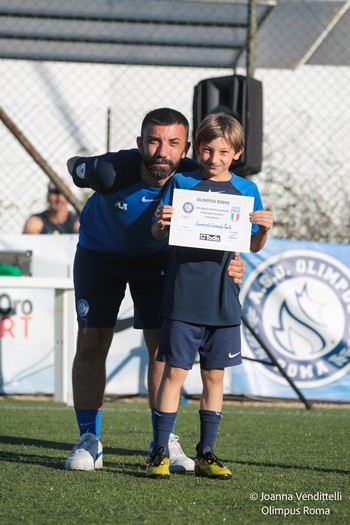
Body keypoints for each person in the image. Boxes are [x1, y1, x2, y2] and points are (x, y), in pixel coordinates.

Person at [64, 108, 246, 473]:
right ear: (140, 143)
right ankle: (89, 440)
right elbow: (74, 165)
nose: (163, 150)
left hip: (160, 261)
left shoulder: (199, 176)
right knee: (92, 341)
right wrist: (88, 167)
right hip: (100, 255)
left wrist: (237, 261)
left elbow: (230, 226)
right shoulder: (111, 171)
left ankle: (163, 442)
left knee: (162, 347)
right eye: (154, 140)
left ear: (187, 148)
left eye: (173, 143)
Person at [146, 112, 274, 479]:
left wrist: (263, 231)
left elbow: (250, 245)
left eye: (222, 151)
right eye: (206, 149)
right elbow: (158, 233)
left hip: (223, 296)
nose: (214, 158)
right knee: (175, 374)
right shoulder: (182, 181)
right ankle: (159, 451)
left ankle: (207, 453)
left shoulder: (247, 191)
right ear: (197, 149)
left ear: (237, 152)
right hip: (183, 293)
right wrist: (160, 223)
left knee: (214, 377)